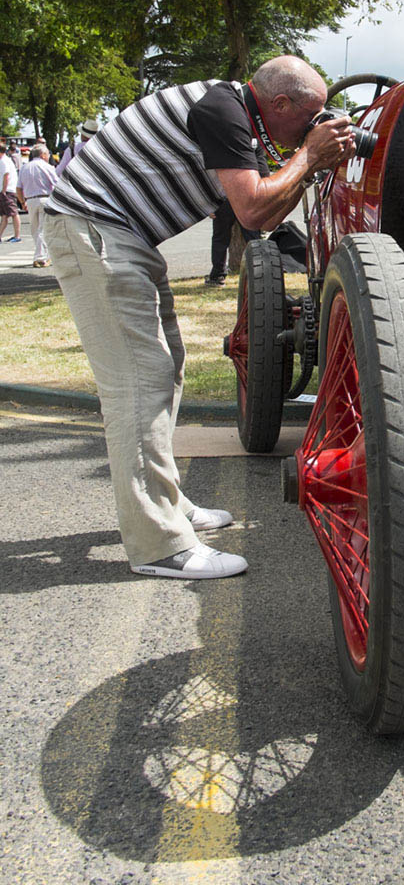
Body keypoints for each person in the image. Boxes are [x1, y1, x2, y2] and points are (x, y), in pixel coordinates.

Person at [43, 56, 356, 580]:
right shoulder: (222, 109)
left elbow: (267, 216)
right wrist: (308, 154)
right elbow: (254, 210)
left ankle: (168, 507)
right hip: (95, 232)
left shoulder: (242, 116)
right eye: (308, 117)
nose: (312, 126)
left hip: (118, 236)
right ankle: (160, 546)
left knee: (166, 370)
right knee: (140, 383)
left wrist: (308, 162)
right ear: (278, 104)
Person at [205, 153, 266, 286]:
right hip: (247, 196)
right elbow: (263, 169)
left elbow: (211, 173)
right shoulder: (254, 143)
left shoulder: (222, 142)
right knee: (253, 237)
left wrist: (210, 203)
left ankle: (217, 275)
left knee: (221, 238)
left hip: (225, 196)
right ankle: (261, 272)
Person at [16, 145, 57, 266]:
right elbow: (56, 184)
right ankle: (41, 257)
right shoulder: (48, 167)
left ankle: (42, 255)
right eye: (48, 154)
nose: (49, 156)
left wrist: (22, 202)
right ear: (42, 155)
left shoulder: (25, 167)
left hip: (30, 200)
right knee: (43, 229)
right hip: (45, 199)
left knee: (35, 229)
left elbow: (19, 188)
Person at [0, 139, 21, 242]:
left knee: (13, 213)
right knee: (4, 214)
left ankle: (17, 236)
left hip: (7, 190)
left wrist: (3, 190)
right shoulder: (5, 160)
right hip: (7, 190)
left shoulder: (3, 161)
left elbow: (6, 176)